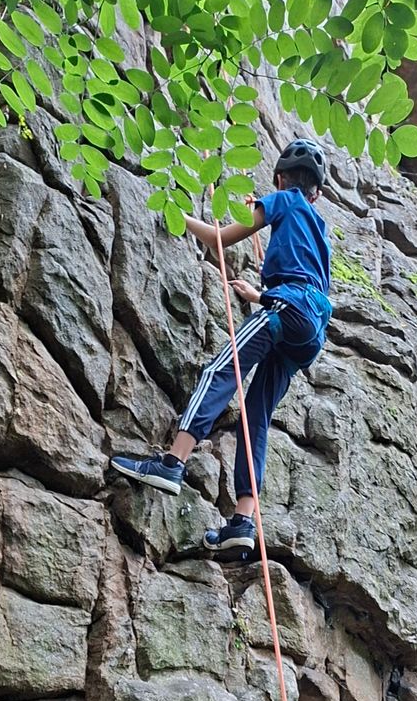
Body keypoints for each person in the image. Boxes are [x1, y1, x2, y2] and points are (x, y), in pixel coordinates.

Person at [109, 138, 333, 556]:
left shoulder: (283, 199)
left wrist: (178, 215)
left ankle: (172, 463)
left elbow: (219, 238)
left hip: (286, 308)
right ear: (317, 192)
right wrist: (261, 296)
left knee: (220, 371)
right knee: (257, 416)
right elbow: (308, 283)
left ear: (282, 178)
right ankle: (242, 523)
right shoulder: (320, 229)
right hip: (310, 330)